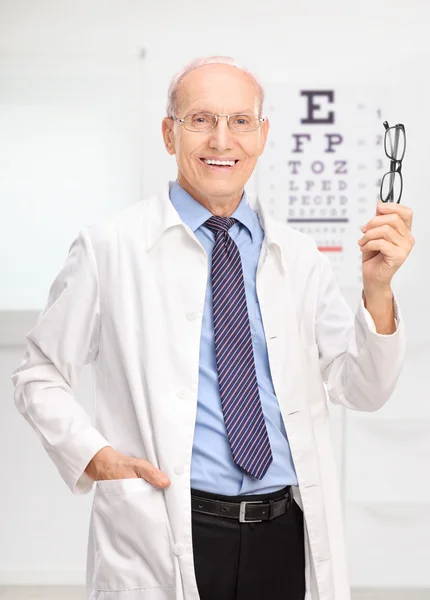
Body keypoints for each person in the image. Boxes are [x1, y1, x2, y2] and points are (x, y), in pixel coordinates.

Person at [11, 56, 414, 600]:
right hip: (172, 525)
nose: (222, 139)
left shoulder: (298, 256)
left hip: (284, 529)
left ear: (262, 135)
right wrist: (93, 454)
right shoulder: (110, 248)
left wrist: (379, 290)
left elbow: (362, 388)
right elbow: (38, 373)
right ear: (168, 134)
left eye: (240, 121)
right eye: (200, 119)